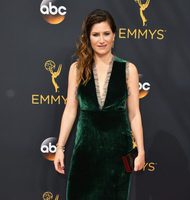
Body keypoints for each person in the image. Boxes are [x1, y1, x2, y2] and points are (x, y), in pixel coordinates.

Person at [54, 9, 145, 200]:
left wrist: (141, 151)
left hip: (119, 152)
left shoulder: (129, 69)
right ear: (88, 37)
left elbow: (134, 113)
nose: (101, 40)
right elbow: (70, 109)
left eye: (106, 33)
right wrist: (60, 147)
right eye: (95, 34)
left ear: (114, 36)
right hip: (85, 151)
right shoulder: (77, 69)